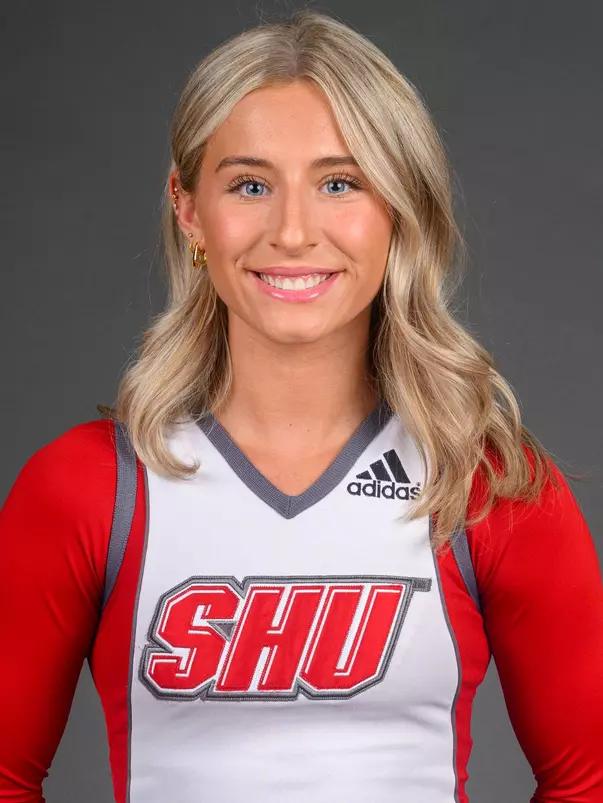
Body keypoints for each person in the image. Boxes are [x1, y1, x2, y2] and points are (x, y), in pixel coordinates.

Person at [1, 9, 602, 803]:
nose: (291, 231)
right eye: (249, 184)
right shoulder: (87, 489)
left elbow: (586, 781)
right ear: (188, 210)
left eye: (339, 183)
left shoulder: (486, 485)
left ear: (399, 208)